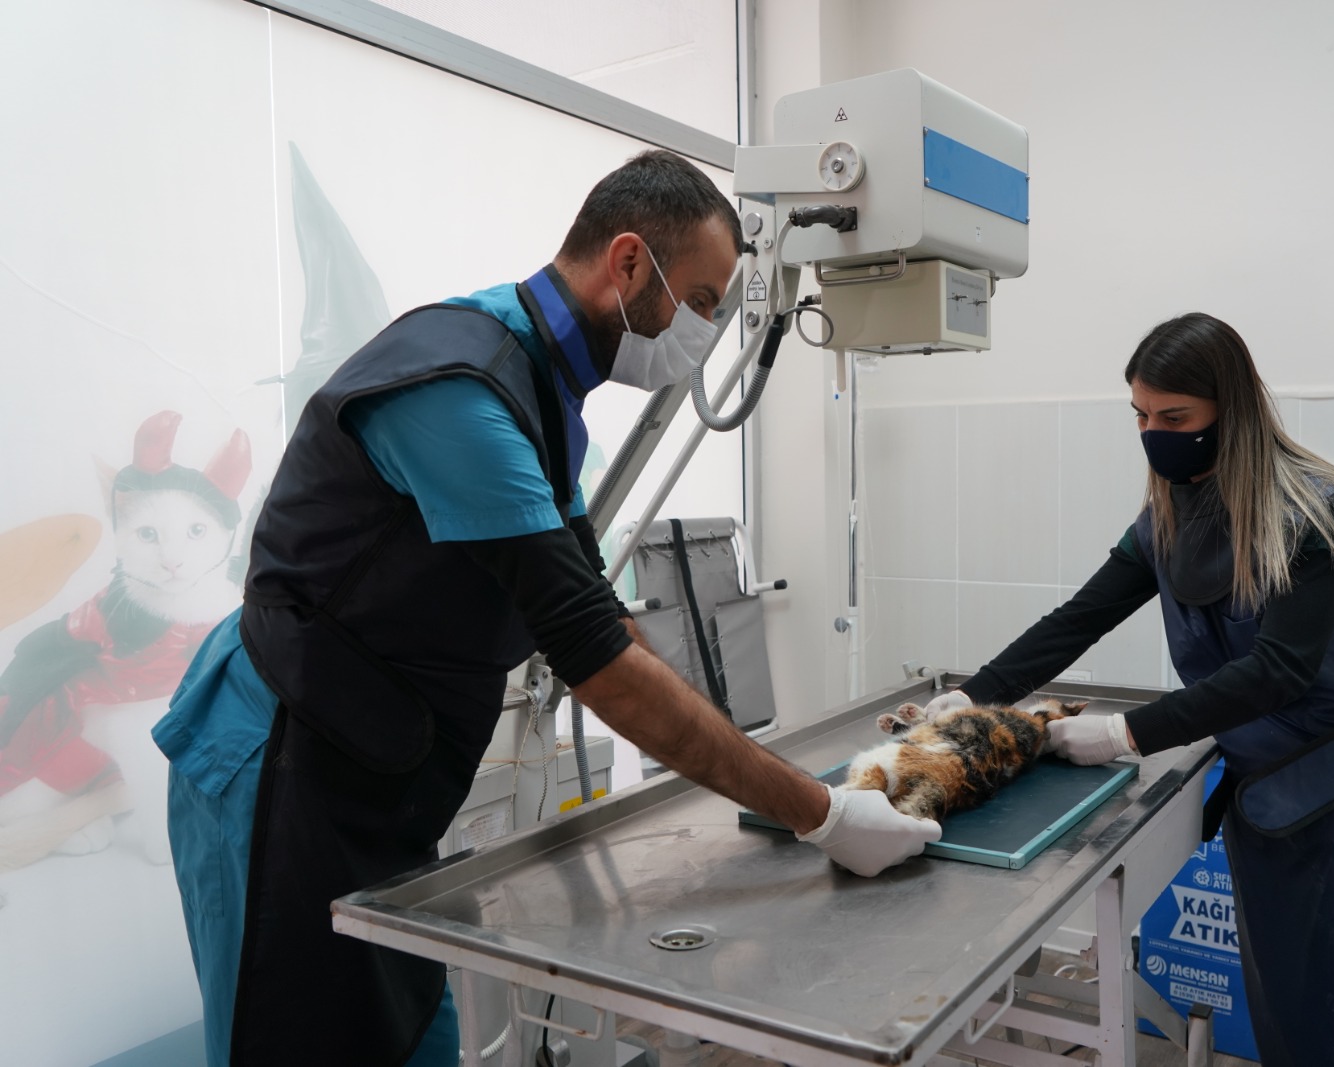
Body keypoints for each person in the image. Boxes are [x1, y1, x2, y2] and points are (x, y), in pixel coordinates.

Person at [154, 149, 940, 1067]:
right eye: (700, 301)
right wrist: (822, 813)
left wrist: (748, 772)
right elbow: (596, 658)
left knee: (410, 1035)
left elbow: (597, 606)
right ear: (629, 262)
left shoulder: (540, 382)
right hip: (282, 758)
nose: (703, 332)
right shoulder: (459, 390)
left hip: (376, 766)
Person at [928, 312, 1334, 1066]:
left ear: (1232, 410)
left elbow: (1279, 669)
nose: (1154, 434)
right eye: (1141, 416)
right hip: (1269, 803)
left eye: (1175, 418)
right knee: (1291, 1010)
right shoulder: (1168, 517)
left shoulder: (1317, 517)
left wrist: (1125, 733)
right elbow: (1079, 619)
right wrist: (977, 696)